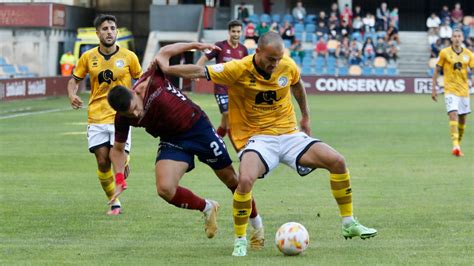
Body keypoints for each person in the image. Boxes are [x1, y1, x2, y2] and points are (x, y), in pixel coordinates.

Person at [154, 32, 378, 257]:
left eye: (278, 59)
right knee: (245, 179)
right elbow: (199, 72)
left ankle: (348, 222)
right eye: (271, 59)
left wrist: (306, 118)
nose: (275, 64)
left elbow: (297, 85)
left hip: (290, 135)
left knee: (337, 161)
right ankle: (240, 240)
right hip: (258, 139)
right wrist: (167, 70)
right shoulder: (238, 69)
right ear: (258, 52)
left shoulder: (286, 65)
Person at [106, 57, 264, 246]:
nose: (135, 115)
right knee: (165, 189)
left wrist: (196, 46)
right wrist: (119, 179)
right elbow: (117, 150)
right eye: (128, 114)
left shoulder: (151, 82)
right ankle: (207, 207)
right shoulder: (122, 118)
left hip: (198, 128)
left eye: (134, 109)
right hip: (173, 139)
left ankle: (257, 227)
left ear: (134, 94)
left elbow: (164, 52)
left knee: (232, 180)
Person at [66, 14, 142, 215]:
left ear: (117, 31)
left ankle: (123, 164)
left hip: (122, 116)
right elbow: (74, 80)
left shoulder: (129, 57)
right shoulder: (87, 57)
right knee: (102, 161)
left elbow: (141, 82)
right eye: (105, 29)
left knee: (115, 157)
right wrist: (72, 94)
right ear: (97, 33)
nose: (109, 32)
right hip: (96, 116)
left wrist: (138, 105)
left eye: (112, 28)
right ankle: (114, 202)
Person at [196, 20, 248, 139]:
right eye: (233, 31)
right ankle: (239, 149)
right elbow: (204, 58)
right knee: (227, 114)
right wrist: (197, 72)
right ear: (229, 32)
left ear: (241, 33)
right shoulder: (220, 46)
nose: (236, 34)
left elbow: (246, 68)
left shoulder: (243, 50)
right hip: (221, 88)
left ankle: (216, 140)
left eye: (238, 31)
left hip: (236, 90)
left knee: (225, 121)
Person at [431, 29, 474, 157]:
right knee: (453, 114)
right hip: (450, 90)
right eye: (454, 36)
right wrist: (434, 88)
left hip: (464, 91)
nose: (456, 38)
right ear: (451, 38)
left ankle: (457, 145)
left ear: (462, 38)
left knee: (462, 120)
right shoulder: (444, 53)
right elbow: (436, 70)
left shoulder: (469, 54)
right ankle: (455, 145)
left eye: (459, 36)